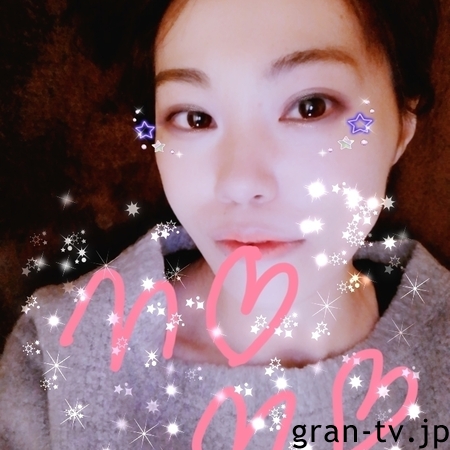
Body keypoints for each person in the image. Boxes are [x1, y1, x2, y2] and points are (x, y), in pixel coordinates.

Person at [1, 0, 449, 448]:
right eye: (195, 118)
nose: (240, 183)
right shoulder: (58, 357)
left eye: (310, 107)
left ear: (403, 122)